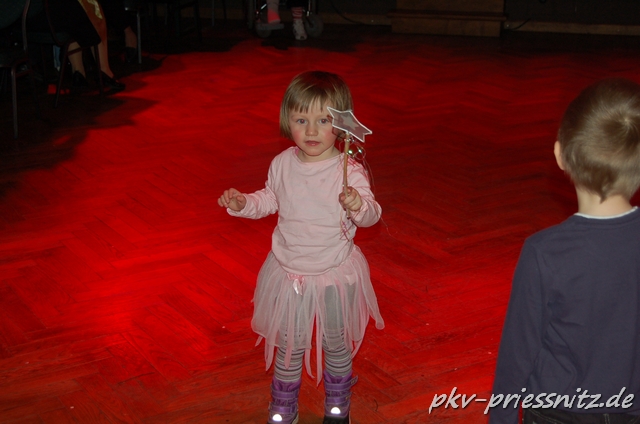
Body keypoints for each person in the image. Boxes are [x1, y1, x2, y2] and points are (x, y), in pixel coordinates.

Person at [218, 71, 384, 424]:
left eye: (323, 121)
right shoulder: (282, 164)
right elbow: (269, 199)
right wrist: (243, 203)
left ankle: (337, 405)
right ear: (287, 121)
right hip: (289, 273)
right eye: (301, 120)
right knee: (289, 345)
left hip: (333, 275)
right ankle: (283, 407)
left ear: (341, 124)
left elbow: (371, 215)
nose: (311, 130)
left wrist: (358, 206)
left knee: (335, 342)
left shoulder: (348, 170)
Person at [489, 78, 640, 424]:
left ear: (560, 155)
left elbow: (519, 351)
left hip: (559, 411)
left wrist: (502, 417)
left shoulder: (544, 253)